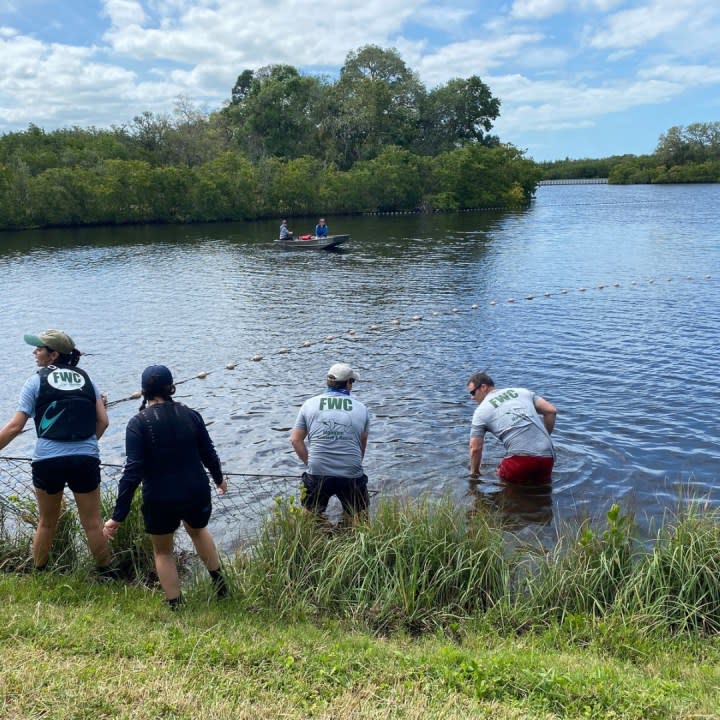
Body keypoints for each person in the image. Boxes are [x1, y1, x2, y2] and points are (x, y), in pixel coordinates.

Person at [103, 365, 227, 608]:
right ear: (171, 387)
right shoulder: (191, 415)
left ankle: (176, 604)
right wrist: (219, 478)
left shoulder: (138, 423)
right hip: (196, 490)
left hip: (160, 497)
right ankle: (220, 585)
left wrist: (118, 516)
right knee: (199, 531)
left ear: (144, 391)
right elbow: (208, 453)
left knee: (163, 552)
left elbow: (132, 472)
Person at [0, 329, 113, 573]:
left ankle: (39, 572)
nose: (34, 352)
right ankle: (106, 573)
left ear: (53, 356)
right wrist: (87, 445)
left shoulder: (35, 381)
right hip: (85, 459)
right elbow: (103, 422)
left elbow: (14, 427)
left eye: (39, 349)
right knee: (93, 523)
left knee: (47, 522)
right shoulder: (87, 380)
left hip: (47, 462)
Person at [290, 362, 370, 522]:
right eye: (352, 382)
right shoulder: (362, 408)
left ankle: (310, 540)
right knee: (360, 520)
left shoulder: (309, 404)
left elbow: (295, 440)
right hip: (351, 472)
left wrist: (310, 462)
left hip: (317, 471)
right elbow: (361, 446)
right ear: (348, 383)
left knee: (309, 520)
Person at [467, 372, 557, 484]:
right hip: (548, 457)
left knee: (503, 484)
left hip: (519, 461)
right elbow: (551, 411)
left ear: (483, 387)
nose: (472, 398)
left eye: (473, 392)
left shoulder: (480, 412)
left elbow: (475, 448)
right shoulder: (522, 392)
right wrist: (545, 436)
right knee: (541, 490)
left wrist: (474, 474)